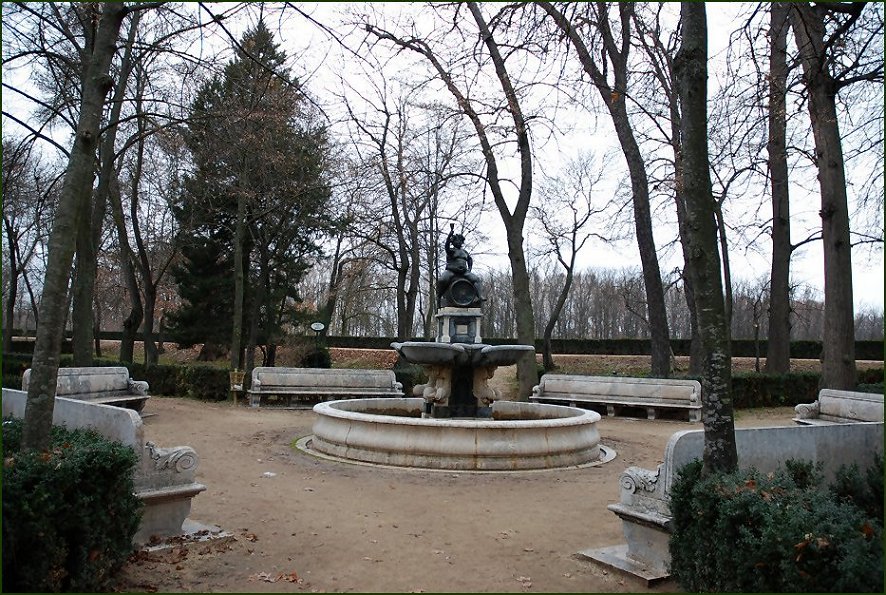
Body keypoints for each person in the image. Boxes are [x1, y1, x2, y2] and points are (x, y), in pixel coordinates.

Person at [438, 223, 482, 305]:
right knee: (442, 280)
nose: (459, 242)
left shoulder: (465, 252)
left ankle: (480, 296)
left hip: (464, 272)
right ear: (453, 241)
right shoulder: (451, 251)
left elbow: (469, 259)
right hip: (451, 271)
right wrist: (448, 237)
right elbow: (446, 246)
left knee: (476, 279)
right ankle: (439, 295)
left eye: (460, 241)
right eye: (457, 240)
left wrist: (469, 269)